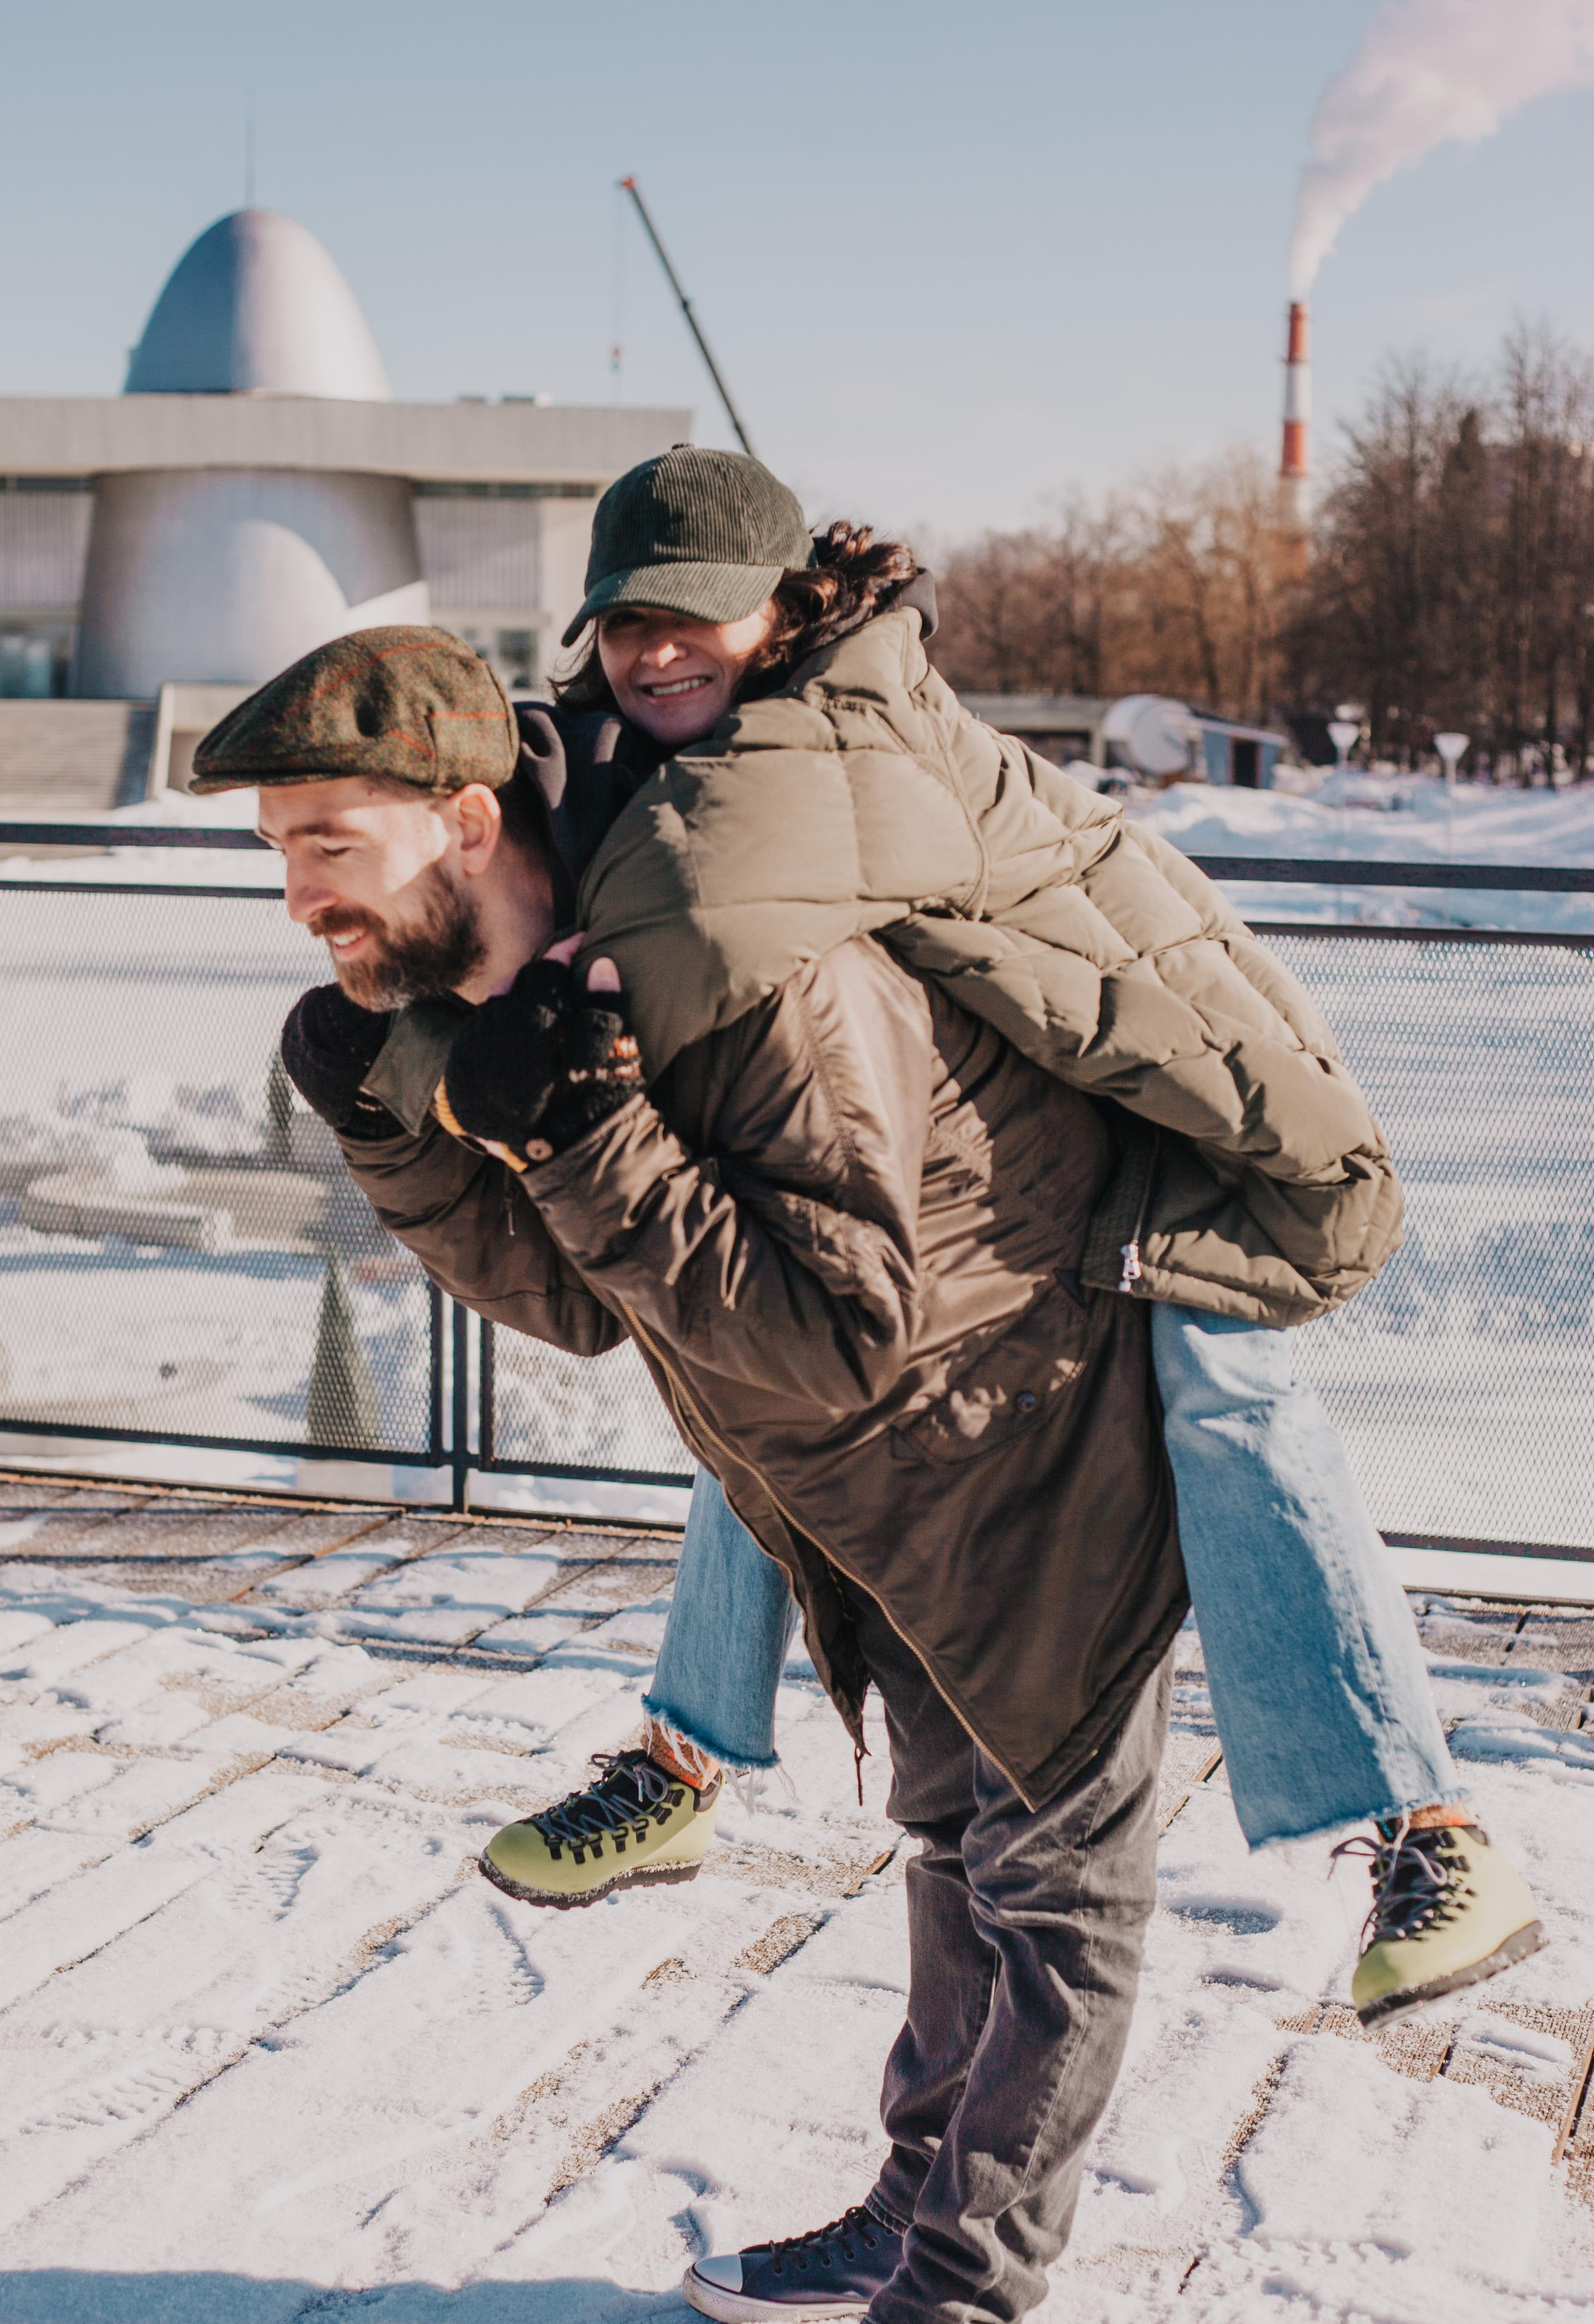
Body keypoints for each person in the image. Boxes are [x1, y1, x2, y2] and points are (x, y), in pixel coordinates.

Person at [236, 447, 1540, 2045]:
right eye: (624, 621)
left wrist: (427, 1063)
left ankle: (1430, 1827)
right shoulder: (676, 750)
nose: (655, 651)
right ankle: (687, 1753)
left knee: (1225, 1391)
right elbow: (567, 852)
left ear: (785, 609)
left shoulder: (823, 741)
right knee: (746, 1360)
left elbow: (663, 931)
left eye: (694, 619)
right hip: (980, 1142)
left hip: (1145, 1149)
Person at [195, 619, 1196, 2324]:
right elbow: (582, 1309)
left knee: (1062, 1889)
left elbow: (837, 1327)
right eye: (275, 851)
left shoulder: (742, 967)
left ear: (461, 816)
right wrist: (399, 1132)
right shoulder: (507, 985)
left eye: (324, 841)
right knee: (955, 1842)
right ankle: (917, 2207)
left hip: (1034, 1442)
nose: (295, 894)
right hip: (878, 1490)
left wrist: (580, 1126)